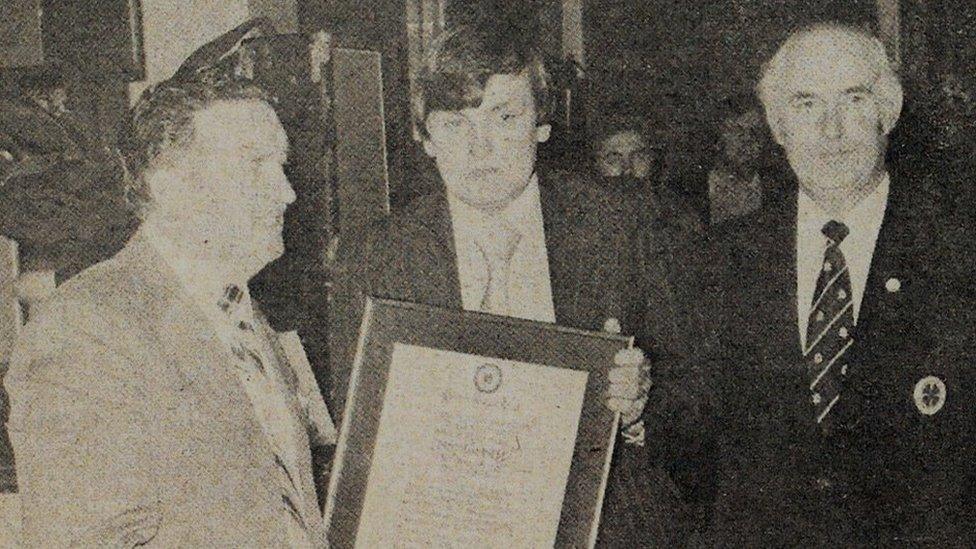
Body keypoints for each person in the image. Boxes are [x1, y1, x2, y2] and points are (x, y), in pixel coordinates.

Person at [325, 23, 692, 545]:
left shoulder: (620, 222)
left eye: (504, 117)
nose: (481, 147)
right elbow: (360, 432)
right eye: (454, 123)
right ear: (424, 139)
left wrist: (640, 407)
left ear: (541, 125)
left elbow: (695, 391)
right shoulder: (374, 256)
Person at [664, 23, 976, 545]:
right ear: (777, 126)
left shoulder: (959, 254)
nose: (833, 131)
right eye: (807, 105)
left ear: (888, 113)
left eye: (853, 99)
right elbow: (691, 447)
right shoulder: (717, 261)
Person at [4, 75, 333, 545]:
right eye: (255, 165)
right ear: (171, 187)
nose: (286, 193)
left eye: (281, 165)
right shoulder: (85, 329)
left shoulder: (241, 312)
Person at [589, 112, 704, 253]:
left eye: (638, 156)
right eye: (614, 158)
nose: (627, 169)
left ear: (651, 160)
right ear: (596, 164)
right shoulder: (585, 221)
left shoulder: (679, 217)